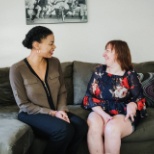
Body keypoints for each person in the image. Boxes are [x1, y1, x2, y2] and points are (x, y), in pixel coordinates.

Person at [9, 26, 87, 154]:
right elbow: (23, 104)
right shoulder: (17, 69)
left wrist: (61, 109)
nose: (54, 47)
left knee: (81, 126)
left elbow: (62, 90)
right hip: (32, 114)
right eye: (51, 43)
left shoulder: (55, 62)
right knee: (64, 129)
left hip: (57, 110)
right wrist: (52, 113)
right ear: (36, 45)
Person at [82, 40, 147, 154]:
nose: (103, 54)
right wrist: (104, 115)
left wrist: (133, 104)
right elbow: (88, 98)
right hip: (99, 110)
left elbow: (140, 99)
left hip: (122, 112)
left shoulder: (130, 75)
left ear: (118, 53)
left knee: (111, 128)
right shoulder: (99, 71)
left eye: (107, 51)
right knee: (95, 124)